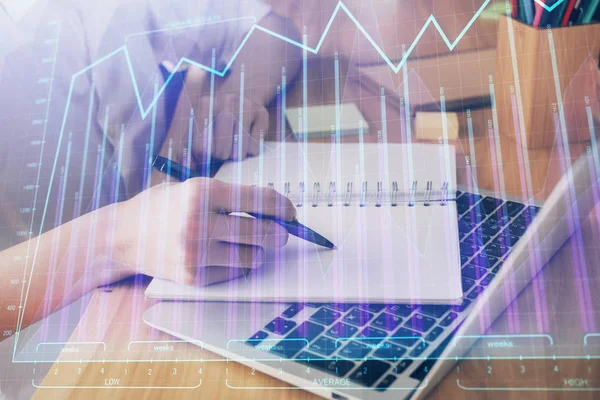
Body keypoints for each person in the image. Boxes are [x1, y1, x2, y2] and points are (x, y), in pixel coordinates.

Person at [0, 0, 300, 339]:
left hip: (176, 288)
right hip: (53, 351)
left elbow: (274, 29)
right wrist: (112, 239)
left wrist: (238, 94)